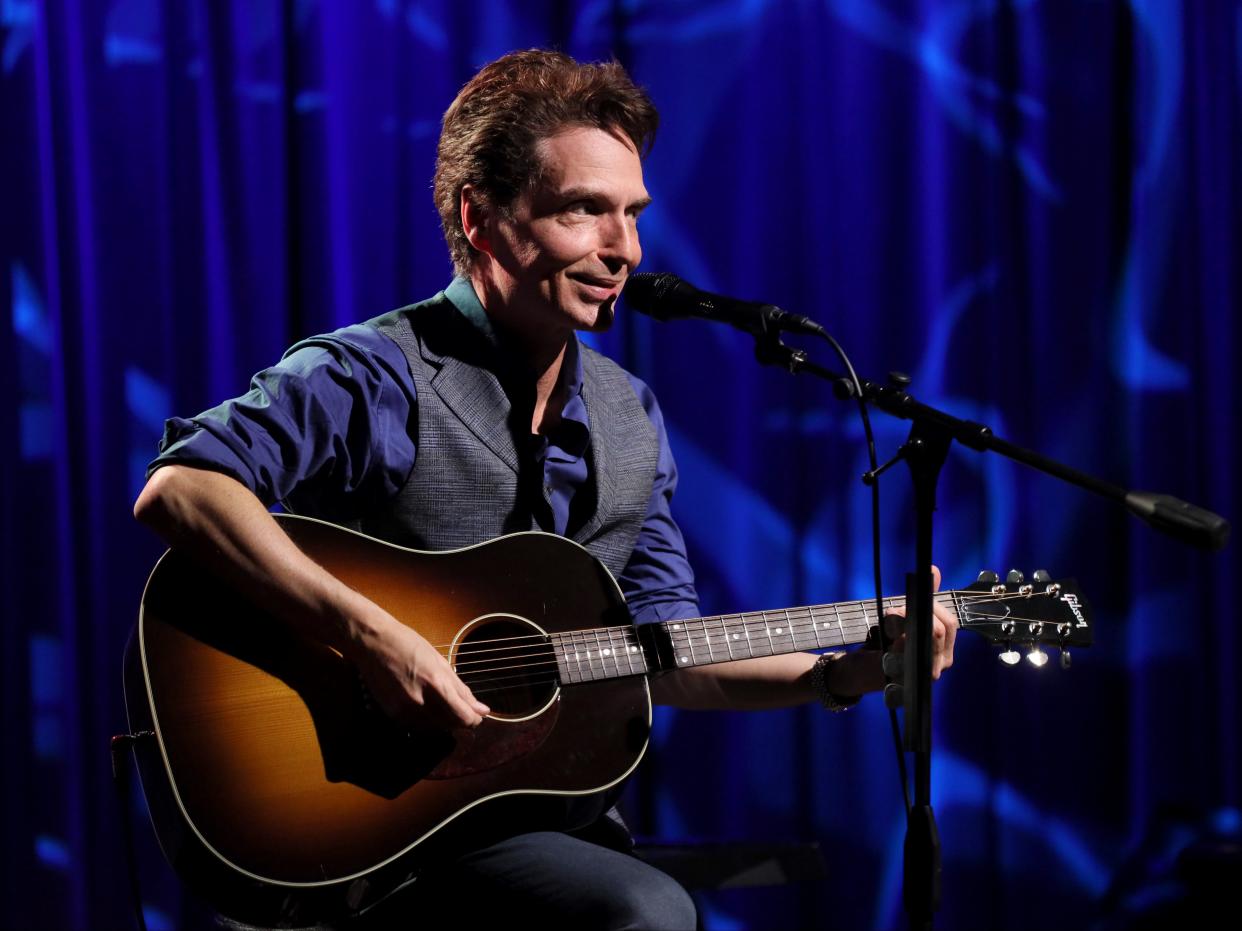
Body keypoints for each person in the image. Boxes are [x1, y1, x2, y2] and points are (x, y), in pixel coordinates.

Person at [134, 49, 958, 930]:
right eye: (585, 211)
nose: (625, 251)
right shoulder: (372, 373)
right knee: (646, 914)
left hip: (532, 816)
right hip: (361, 805)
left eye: (633, 215)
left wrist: (844, 671)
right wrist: (371, 634)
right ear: (482, 221)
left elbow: (667, 653)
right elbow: (183, 489)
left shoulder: (627, 415)